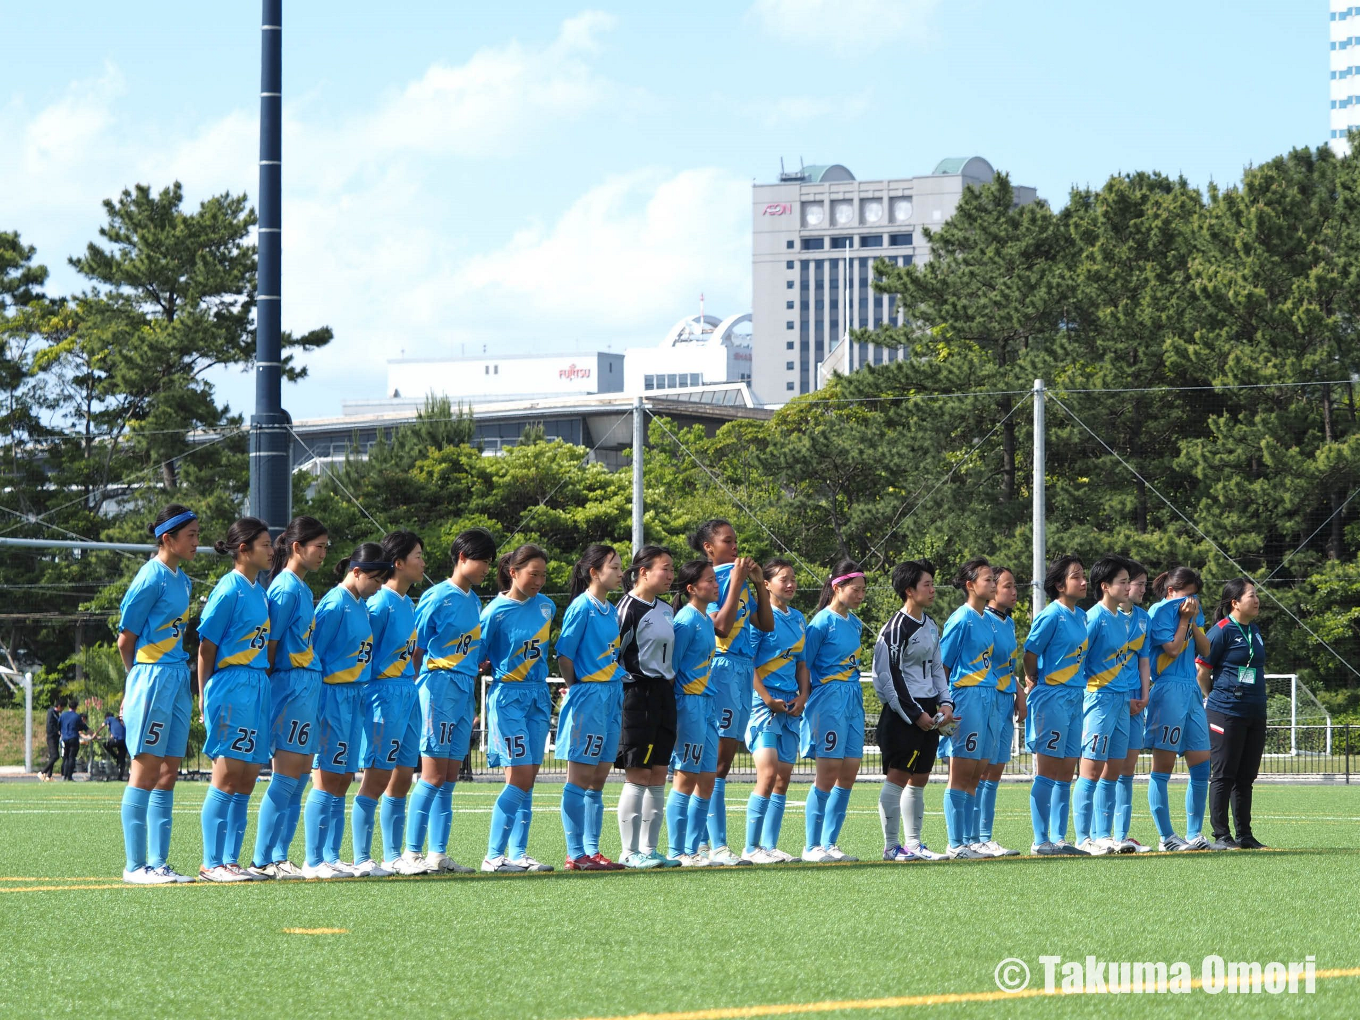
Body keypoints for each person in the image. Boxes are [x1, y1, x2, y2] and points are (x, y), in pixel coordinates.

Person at [116, 503, 199, 884]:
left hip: (178, 677)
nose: (197, 542)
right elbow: (125, 640)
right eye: (191, 536)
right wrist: (136, 682)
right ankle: (135, 867)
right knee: (146, 770)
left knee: (168, 773)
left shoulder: (184, 581)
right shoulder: (151, 578)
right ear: (168, 538)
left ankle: (159, 863)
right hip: (152, 677)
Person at [406, 528, 497, 873]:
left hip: (464, 688)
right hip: (438, 688)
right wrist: (411, 690)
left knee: (448, 778)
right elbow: (416, 649)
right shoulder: (437, 596)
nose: (487, 568)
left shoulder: (474, 601)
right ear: (462, 557)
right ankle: (412, 853)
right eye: (483, 560)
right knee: (431, 776)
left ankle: (437, 854)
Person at [250, 515, 329, 879]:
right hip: (290, 686)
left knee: (298, 779)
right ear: (298, 547)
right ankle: (262, 860)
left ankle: (280, 856)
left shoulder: (301, 588)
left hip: (308, 685)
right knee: (285, 776)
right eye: (319, 547)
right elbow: (272, 643)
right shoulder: (284, 588)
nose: (324, 553)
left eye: (326, 547)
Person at [196, 516, 275, 882]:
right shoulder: (229, 590)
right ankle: (211, 863)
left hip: (257, 685)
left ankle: (230, 861)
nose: (271, 551)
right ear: (244, 549)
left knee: (246, 778)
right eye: (265, 545)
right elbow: (206, 647)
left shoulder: (259, 591)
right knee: (227, 775)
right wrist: (203, 695)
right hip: (231, 685)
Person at [691, 519, 773, 866]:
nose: (735, 545)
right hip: (721, 669)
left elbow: (766, 624)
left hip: (742, 669)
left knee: (724, 759)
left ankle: (705, 843)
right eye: (727, 540)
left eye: (735, 540)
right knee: (717, 761)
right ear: (709, 547)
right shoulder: (714, 581)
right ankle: (714, 845)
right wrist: (738, 579)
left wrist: (758, 584)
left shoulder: (740, 579)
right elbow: (720, 628)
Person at [305, 543, 390, 879]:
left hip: (355, 695)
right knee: (326, 776)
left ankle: (332, 855)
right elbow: (315, 654)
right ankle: (313, 860)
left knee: (343, 778)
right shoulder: (334, 604)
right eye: (376, 579)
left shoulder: (361, 605)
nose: (379, 586)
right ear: (356, 572)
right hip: (332, 695)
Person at [346, 530, 426, 878]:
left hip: (408, 691)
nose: (423, 562)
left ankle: (394, 856)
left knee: (403, 777)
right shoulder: (379, 603)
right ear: (398, 562)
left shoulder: (409, 603)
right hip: (383, 693)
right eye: (418, 556)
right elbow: (364, 652)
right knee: (376, 777)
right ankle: (362, 857)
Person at [480, 543, 557, 873]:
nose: (538, 581)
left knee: (528, 779)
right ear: (513, 572)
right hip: (508, 698)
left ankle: (519, 854)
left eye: (543, 575)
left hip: (538, 696)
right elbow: (478, 657)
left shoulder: (547, 607)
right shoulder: (494, 612)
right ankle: (493, 856)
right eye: (532, 574)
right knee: (520, 776)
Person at [872, 559, 951, 863]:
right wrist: (915, 714)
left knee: (919, 779)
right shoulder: (895, 629)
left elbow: (937, 669)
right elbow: (889, 678)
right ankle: (891, 847)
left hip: (929, 710)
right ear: (909, 590)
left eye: (932, 583)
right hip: (904, 714)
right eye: (926, 585)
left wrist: (946, 703)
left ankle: (914, 844)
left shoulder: (930, 624)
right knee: (897, 778)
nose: (932, 589)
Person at [555, 544, 627, 871]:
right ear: (594, 572)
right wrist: (578, 688)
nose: (620, 573)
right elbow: (565, 655)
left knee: (598, 779)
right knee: (580, 778)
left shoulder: (610, 609)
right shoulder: (581, 607)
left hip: (612, 695)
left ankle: (592, 851)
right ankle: (575, 854)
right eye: (614, 567)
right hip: (590, 696)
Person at [614, 545, 679, 869]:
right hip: (636, 693)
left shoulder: (667, 609)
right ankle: (629, 852)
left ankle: (649, 850)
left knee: (658, 772)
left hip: (664, 693)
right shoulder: (627, 609)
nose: (670, 575)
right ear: (643, 572)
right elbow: (612, 654)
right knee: (638, 771)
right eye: (665, 569)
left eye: (672, 569)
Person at [800, 559, 868, 863]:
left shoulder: (855, 623)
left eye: (863, 590)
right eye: (856, 589)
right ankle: (812, 845)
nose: (860, 595)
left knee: (849, 772)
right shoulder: (820, 623)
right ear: (837, 587)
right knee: (827, 773)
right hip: (828, 698)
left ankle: (830, 843)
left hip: (853, 697)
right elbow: (805, 664)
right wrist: (805, 697)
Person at [1022, 554, 1090, 856]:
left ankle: (1060, 838)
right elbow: (1030, 652)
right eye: (1077, 576)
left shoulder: (1081, 615)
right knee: (1047, 770)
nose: (1084, 581)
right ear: (1060, 585)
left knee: (1066, 771)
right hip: (1053, 697)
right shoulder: (1051, 615)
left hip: (1075, 696)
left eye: (1083, 575)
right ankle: (1040, 840)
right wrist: (1033, 678)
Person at [742, 558, 809, 864]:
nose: (791, 584)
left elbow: (801, 663)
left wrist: (803, 696)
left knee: (782, 779)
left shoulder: (799, 618)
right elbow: (749, 663)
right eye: (784, 579)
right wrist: (767, 698)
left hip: (790, 706)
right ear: (766, 584)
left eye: (793, 578)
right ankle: (751, 847)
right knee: (767, 774)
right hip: (763, 706)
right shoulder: (758, 618)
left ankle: (769, 846)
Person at [1197, 578, 1268, 850]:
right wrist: (1215, 697)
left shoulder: (1255, 630)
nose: (1257, 600)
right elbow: (1202, 671)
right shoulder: (1221, 631)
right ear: (1235, 602)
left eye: (1257, 595)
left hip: (1255, 711)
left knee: (1246, 777)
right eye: (1251, 595)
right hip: (1225, 712)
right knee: (1224, 774)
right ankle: (1222, 835)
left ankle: (1245, 835)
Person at [1145, 566, 1212, 851]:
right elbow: (1172, 649)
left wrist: (1193, 621)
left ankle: (1194, 833)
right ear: (1171, 591)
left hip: (1191, 690)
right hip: (1168, 689)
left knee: (1202, 763)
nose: (1191, 600)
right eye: (1187, 594)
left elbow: (1206, 650)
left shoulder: (1195, 611)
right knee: (1163, 767)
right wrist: (1184, 619)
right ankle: (1166, 837)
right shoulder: (1159, 611)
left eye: (1195, 595)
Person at [939, 558, 999, 859]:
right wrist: (944, 704)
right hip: (966, 697)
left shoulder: (987, 619)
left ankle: (970, 840)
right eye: (988, 579)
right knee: (960, 773)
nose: (993, 583)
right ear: (970, 585)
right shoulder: (961, 619)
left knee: (977, 772)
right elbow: (942, 666)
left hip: (988, 698)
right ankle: (955, 844)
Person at [1073, 557, 1133, 855]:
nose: (1128, 587)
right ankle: (1082, 838)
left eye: (1128, 581)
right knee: (1091, 769)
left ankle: (1103, 835)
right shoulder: (1093, 618)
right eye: (1123, 581)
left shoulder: (1121, 618)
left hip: (1121, 699)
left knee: (1113, 770)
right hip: (1098, 699)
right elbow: (1078, 660)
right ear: (1105, 586)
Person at [665, 559, 720, 867]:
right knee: (685, 776)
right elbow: (671, 669)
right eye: (709, 580)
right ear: (691, 588)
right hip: (688, 704)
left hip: (707, 704)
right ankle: (677, 851)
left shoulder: (705, 619)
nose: (715, 584)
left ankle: (693, 849)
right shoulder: (685, 621)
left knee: (707, 778)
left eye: (715, 579)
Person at [976, 566, 1023, 857]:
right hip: (986, 699)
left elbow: (1007, 666)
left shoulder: (1009, 622)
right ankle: (971, 838)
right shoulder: (982, 620)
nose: (1013, 591)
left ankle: (985, 837)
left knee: (995, 770)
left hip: (1005, 699)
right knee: (979, 770)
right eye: (1007, 586)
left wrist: (1019, 692)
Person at [1112, 558, 1154, 852]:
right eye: (1138, 583)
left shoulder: (1143, 618)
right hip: (1110, 698)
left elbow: (1143, 660)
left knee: (1128, 770)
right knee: (1106, 769)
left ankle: (1122, 834)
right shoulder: (1101, 617)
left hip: (1137, 701)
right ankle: (1097, 835)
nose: (1141, 589)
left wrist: (1144, 695)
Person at [59, 697, 89, 781]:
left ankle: (64, 775)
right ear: (76, 707)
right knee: (72, 757)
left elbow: (59, 725)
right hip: (73, 738)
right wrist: (94, 735)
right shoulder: (77, 716)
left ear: (69, 706)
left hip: (65, 738)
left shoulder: (63, 715)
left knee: (66, 757)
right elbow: (84, 727)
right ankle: (69, 776)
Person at [104, 708, 129, 781]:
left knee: (106, 744)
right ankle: (120, 776)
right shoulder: (119, 723)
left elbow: (103, 726)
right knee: (122, 759)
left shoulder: (110, 719)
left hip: (119, 740)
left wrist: (95, 734)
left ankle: (116, 757)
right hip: (124, 741)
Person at [40, 699, 61, 780]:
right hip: (51, 736)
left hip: (56, 737)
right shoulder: (51, 712)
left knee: (52, 756)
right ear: (58, 706)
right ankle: (43, 772)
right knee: (55, 756)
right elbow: (50, 725)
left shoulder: (57, 714)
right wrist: (57, 731)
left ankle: (49, 776)